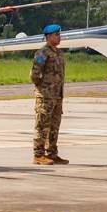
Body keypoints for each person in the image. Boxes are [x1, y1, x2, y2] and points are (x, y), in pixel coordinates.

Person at [31, 24, 68, 165]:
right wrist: (43, 88)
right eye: (56, 34)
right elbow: (34, 74)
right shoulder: (42, 53)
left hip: (57, 96)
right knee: (42, 125)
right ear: (48, 37)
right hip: (46, 96)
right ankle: (38, 154)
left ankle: (52, 153)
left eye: (59, 34)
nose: (59, 37)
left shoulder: (59, 53)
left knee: (54, 126)